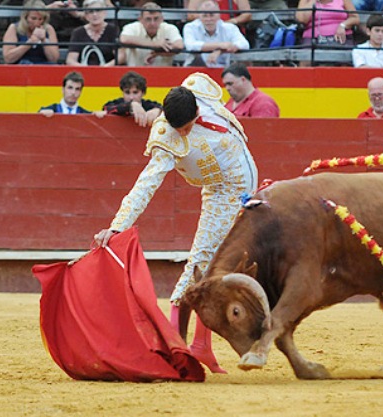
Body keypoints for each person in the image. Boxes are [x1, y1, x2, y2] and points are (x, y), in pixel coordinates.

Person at [93, 72, 258, 374]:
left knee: (221, 269)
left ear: (197, 110)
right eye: (177, 128)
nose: (182, 133)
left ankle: (201, 345)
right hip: (222, 196)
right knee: (201, 263)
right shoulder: (167, 137)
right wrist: (118, 225)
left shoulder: (200, 90)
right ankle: (175, 348)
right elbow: (147, 183)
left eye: (187, 126)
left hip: (247, 197)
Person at [182, 0, 250, 67]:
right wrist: (221, 45)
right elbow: (191, 46)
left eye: (212, 15)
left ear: (219, 15)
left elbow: (244, 44)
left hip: (222, 70)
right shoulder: (190, 27)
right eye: (205, 16)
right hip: (195, 69)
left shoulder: (229, 27)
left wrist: (220, 50)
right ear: (199, 16)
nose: (208, 19)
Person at [119, 2, 184, 67]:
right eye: (148, 19)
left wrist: (157, 53)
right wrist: (155, 44)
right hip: (135, 73)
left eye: (156, 19)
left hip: (163, 73)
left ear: (162, 19)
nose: (152, 23)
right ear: (140, 20)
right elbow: (124, 39)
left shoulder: (170, 28)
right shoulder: (132, 27)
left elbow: (179, 45)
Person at [94, 71, 163, 127]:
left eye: (135, 92)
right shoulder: (115, 103)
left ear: (143, 93)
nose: (131, 97)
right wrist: (131, 106)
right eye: (127, 92)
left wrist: (158, 110)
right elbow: (107, 108)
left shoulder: (148, 105)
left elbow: (163, 108)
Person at [1, 0, 60, 65]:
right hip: (21, 67)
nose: (37, 22)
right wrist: (29, 43)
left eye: (40, 19)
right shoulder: (14, 28)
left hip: (43, 66)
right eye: (33, 18)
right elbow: (8, 58)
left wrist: (44, 41)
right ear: (25, 18)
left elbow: (54, 59)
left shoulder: (49, 29)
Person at [66, 0, 120, 66]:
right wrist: (85, 69)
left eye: (98, 10)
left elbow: (120, 57)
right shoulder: (78, 32)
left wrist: (105, 67)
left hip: (107, 70)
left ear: (105, 12)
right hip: (83, 71)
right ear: (85, 15)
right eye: (90, 11)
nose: (95, 14)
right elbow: (70, 60)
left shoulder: (113, 30)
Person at [296, 0, 360, 47]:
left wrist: (342, 25)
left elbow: (355, 18)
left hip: (339, 37)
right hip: (313, 38)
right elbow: (302, 20)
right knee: (306, 59)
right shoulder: (305, 1)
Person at [186, 0, 252, 28]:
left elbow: (247, 14)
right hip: (205, 32)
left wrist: (232, 21)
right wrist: (209, 19)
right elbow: (191, 15)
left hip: (230, 31)